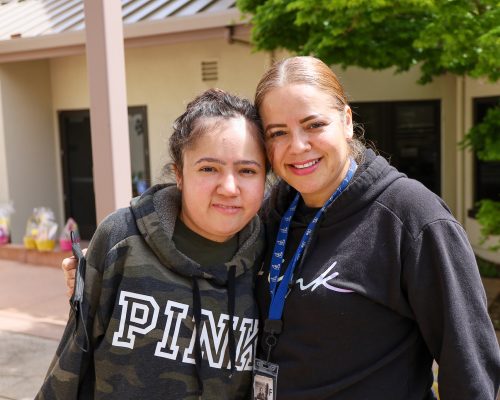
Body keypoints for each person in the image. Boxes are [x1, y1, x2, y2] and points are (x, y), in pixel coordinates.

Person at [61, 56, 500, 399]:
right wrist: (106, 278)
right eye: (277, 133)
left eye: (314, 125)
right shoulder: (273, 213)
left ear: (346, 120)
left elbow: (470, 370)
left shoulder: (412, 218)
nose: (298, 146)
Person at [37, 88, 269, 400]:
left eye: (247, 170)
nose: (229, 187)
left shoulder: (273, 259)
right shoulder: (122, 240)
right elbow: (73, 357)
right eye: (208, 168)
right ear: (180, 174)